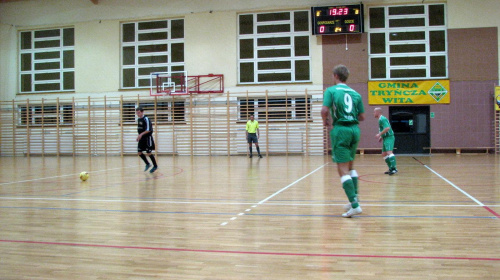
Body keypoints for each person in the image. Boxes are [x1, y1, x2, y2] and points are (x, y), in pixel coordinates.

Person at [321, 65, 365, 218]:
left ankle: (354, 205)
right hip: (355, 130)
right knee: (351, 166)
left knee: (342, 169)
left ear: (335, 76)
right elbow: (362, 117)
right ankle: (355, 197)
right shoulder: (356, 94)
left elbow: (324, 110)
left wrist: (325, 121)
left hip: (341, 130)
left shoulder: (331, 91)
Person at [374, 107, 398, 175]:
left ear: (378, 112)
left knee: (389, 152)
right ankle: (390, 167)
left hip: (389, 137)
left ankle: (394, 168)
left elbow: (387, 128)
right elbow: (383, 129)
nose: (373, 113)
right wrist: (381, 137)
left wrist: (379, 134)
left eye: (374, 112)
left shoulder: (382, 119)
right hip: (385, 138)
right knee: (384, 154)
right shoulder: (380, 120)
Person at [136, 107, 158, 173]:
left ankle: (155, 166)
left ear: (142, 112)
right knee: (139, 152)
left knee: (148, 153)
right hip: (141, 138)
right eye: (137, 113)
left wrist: (141, 134)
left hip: (147, 138)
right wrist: (139, 136)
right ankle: (147, 164)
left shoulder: (146, 119)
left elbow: (148, 130)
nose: (138, 114)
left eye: (139, 112)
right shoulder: (139, 120)